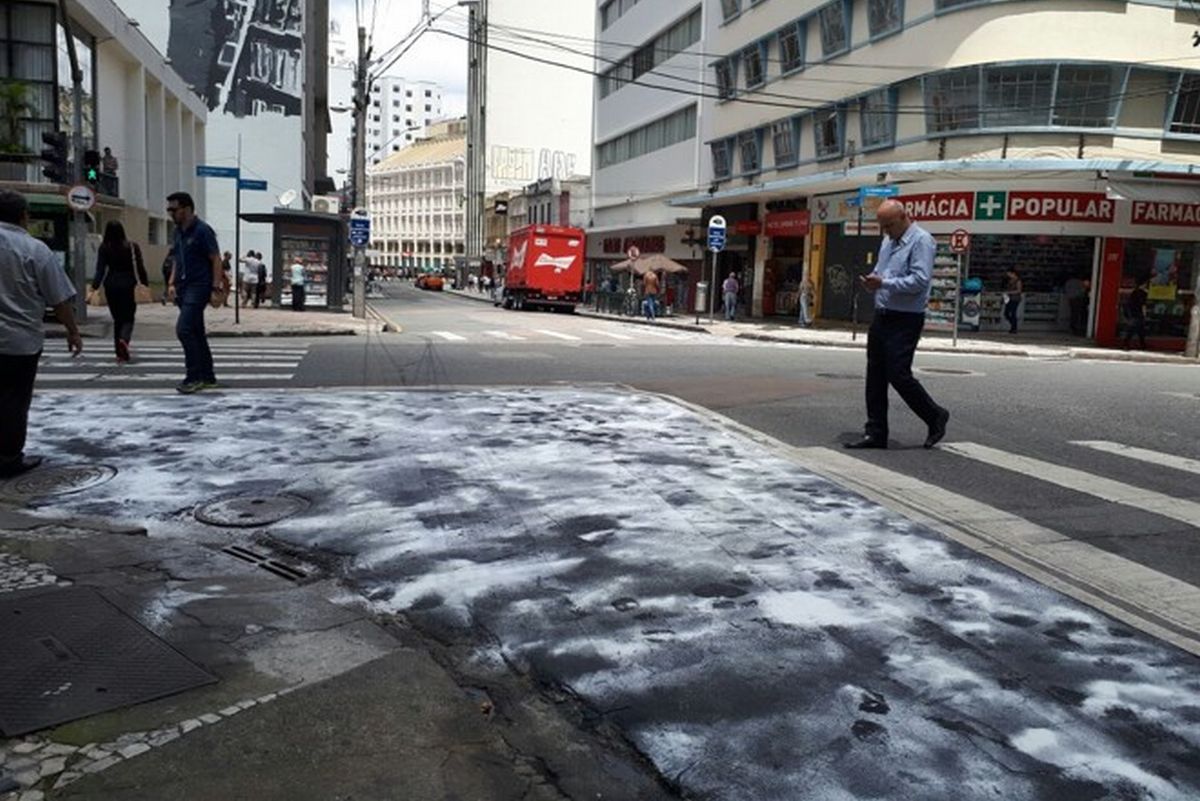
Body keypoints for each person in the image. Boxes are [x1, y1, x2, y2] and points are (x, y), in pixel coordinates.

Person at [846, 199, 950, 451]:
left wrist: (883, 283)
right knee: (875, 375)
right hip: (882, 314)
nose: (886, 231)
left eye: (889, 225)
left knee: (898, 374)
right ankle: (875, 432)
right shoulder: (887, 241)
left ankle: (935, 415)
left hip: (906, 318)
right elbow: (882, 271)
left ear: (905, 217)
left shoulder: (921, 241)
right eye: (883, 226)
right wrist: (873, 281)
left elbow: (920, 280)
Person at [0, 189, 83, 477]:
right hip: (19, 341)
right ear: (24, 216)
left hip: (18, 340)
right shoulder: (35, 250)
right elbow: (58, 299)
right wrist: (72, 331)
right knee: (14, 400)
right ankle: (9, 458)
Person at [166, 191, 223, 393]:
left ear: (187, 209)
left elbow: (216, 259)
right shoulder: (178, 232)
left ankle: (194, 376)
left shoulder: (202, 231)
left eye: (174, 209)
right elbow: (176, 259)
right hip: (182, 287)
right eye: (169, 210)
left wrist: (215, 287)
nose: (171, 214)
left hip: (199, 286)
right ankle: (208, 376)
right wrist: (171, 283)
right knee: (197, 332)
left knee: (184, 329)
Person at [88, 222, 148, 363]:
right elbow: (140, 267)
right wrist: (145, 283)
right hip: (128, 284)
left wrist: (93, 288)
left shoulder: (104, 247)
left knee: (118, 319)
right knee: (128, 317)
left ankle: (119, 353)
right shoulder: (132, 246)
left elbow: (100, 270)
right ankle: (124, 340)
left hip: (111, 285)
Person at [1124, 277, 1149, 350]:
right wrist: (1145, 314)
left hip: (1133, 313)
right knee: (1139, 330)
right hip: (1139, 313)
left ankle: (1127, 344)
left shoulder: (1134, 292)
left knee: (1134, 329)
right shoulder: (1143, 293)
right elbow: (1143, 305)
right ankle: (1142, 345)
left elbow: (1129, 303)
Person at [1003, 268, 1023, 334]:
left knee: (1013, 313)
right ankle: (1013, 325)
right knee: (1006, 313)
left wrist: (1010, 292)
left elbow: (1019, 290)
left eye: (1009, 273)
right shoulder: (1010, 280)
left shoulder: (1018, 281)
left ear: (1013, 273)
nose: (1008, 275)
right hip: (1009, 298)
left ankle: (1014, 328)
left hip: (1015, 298)